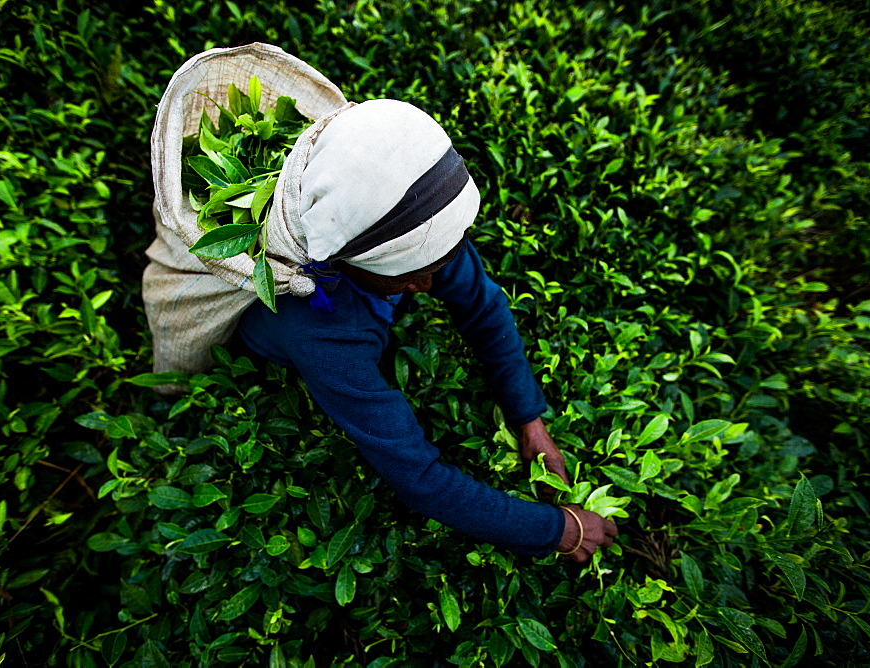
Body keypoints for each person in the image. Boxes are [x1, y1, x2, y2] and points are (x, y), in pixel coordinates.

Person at [233, 99, 618, 561]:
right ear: (348, 260)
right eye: (412, 275)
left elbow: (483, 307)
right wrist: (557, 529)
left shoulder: (415, 219)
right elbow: (417, 476)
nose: (428, 284)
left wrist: (528, 420)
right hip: (269, 344)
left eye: (436, 264)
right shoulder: (323, 332)